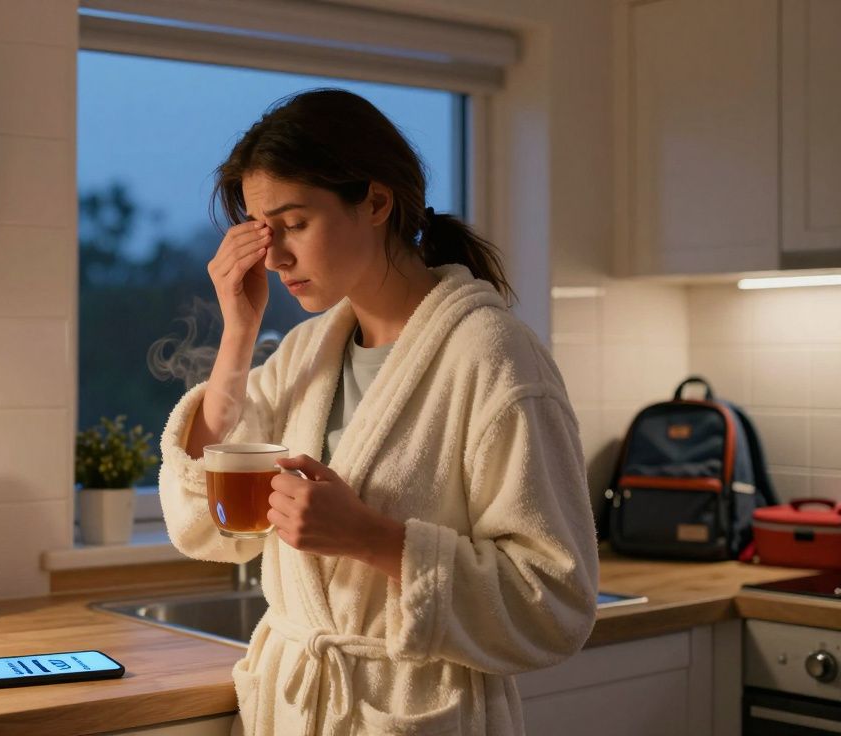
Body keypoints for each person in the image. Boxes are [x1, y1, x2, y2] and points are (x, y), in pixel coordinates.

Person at [157, 89, 599, 736]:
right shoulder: (308, 353)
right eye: (261, 232)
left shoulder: (493, 358)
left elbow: (555, 604)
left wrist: (371, 539)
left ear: (376, 201)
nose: (275, 256)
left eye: (295, 224)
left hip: (415, 713)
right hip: (294, 709)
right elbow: (203, 524)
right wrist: (238, 333)